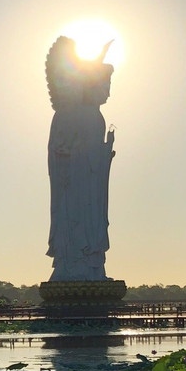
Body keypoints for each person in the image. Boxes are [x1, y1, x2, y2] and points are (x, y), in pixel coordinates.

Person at [45, 37, 116, 281]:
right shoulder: (68, 113)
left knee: (93, 220)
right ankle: (72, 265)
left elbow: (92, 153)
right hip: (73, 185)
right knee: (74, 221)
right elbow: (61, 151)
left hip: (90, 186)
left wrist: (105, 154)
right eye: (104, 84)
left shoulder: (95, 117)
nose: (107, 91)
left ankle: (93, 264)